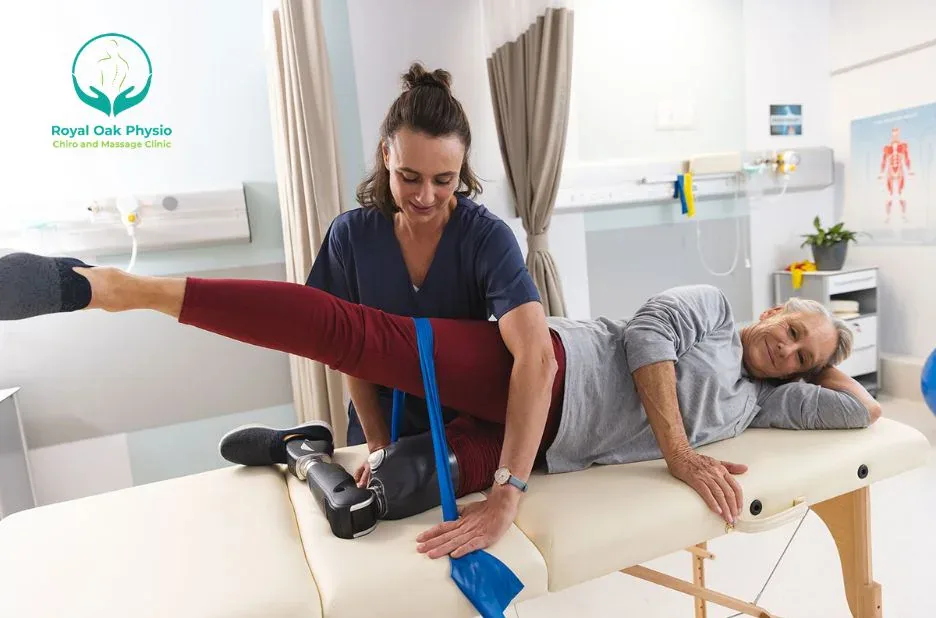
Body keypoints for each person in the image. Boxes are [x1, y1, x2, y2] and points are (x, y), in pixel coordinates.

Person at [0, 252, 881, 558]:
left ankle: (302, 451)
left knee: (376, 508)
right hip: (542, 370)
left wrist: (832, 359)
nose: (788, 349)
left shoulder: (763, 402)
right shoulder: (714, 312)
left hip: (540, 450)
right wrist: (681, 455)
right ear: (773, 306)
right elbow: (647, 340)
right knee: (357, 334)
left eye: (801, 355)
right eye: (791, 329)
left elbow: (863, 416)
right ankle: (124, 288)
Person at [302, 63, 557, 538]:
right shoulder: (351, 237)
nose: (425, 196)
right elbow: (347, 350)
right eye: (409, 176)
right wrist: (378, 445)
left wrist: (507, 493)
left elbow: (538, 358)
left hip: (461, 432)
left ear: (462, 168)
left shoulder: (486, 240)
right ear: (386, 155)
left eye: (444, 179)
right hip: (378, 422)